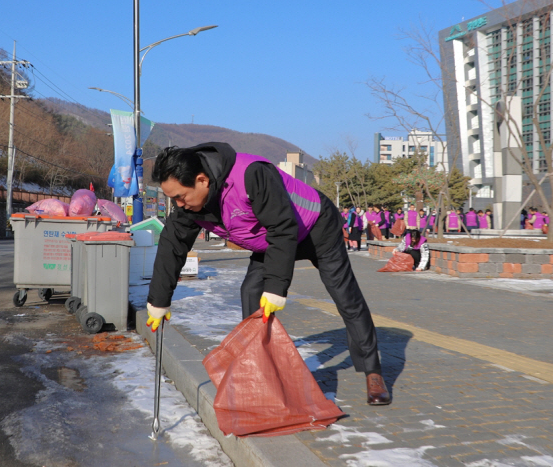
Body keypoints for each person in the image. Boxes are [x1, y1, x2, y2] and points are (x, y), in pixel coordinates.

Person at [145, 143, 391, 405]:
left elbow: (283, 227)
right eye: (173, 199)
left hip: (315, 227)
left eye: (181, 197)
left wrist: (276, 287)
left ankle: (372, 370)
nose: (178, 204)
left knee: (344, 295)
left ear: (202, 180)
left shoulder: (250, 174)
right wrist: (159, 301)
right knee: (251, 291)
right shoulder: (188, 206)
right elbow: (172, 246)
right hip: (272, 241)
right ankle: (261, 373)